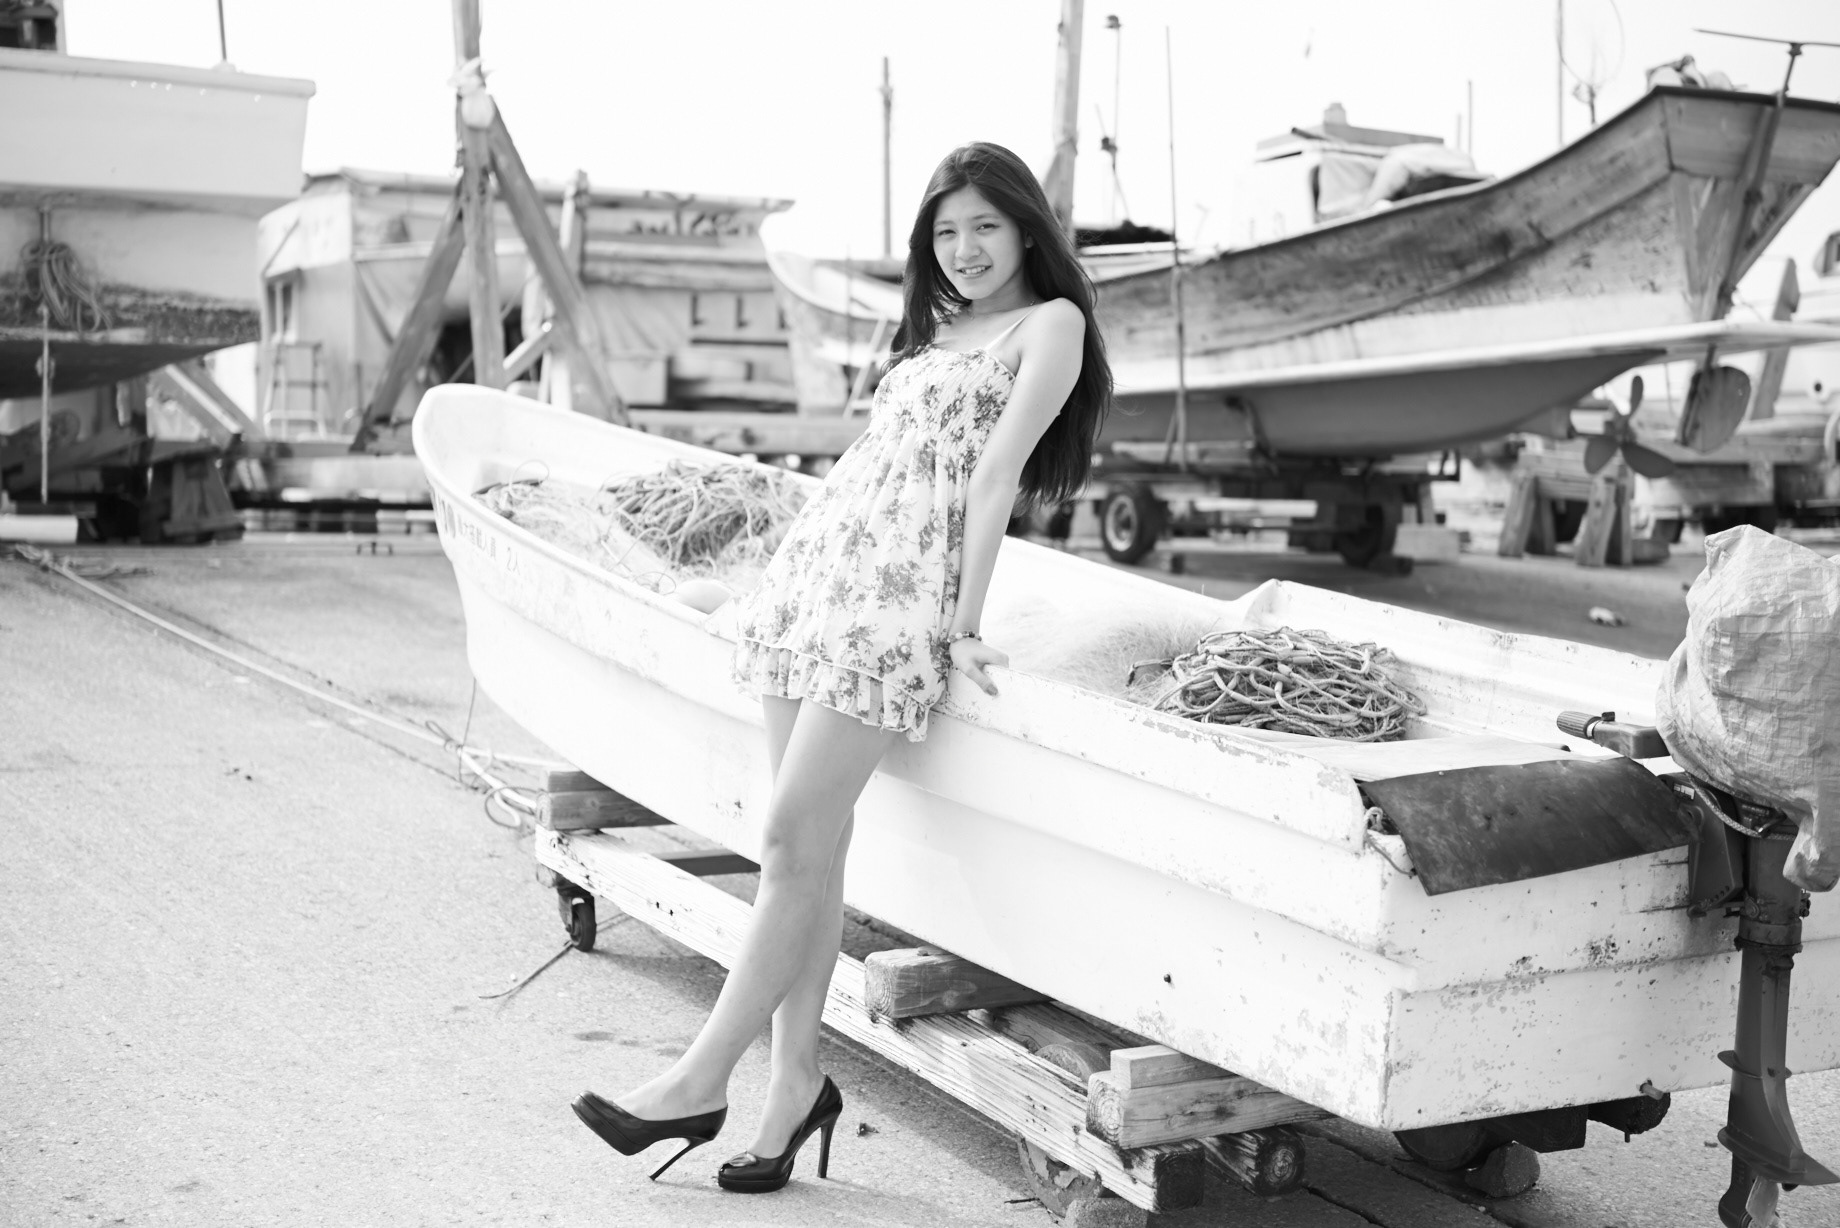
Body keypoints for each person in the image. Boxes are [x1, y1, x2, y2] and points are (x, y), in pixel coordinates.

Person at [570, 141, 1113, 1193]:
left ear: (1026, 229)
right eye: (945, 232)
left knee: (786, 839)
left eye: (984, 227)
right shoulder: (939, 331)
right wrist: (778, 575)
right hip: (817, 578)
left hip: (894, 606)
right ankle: (795, 1085)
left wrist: (962, 623)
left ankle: (697, 1078)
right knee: (811, 853)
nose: (963, 250)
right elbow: (876, 466)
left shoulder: (1052, 325)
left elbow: (994, 476)